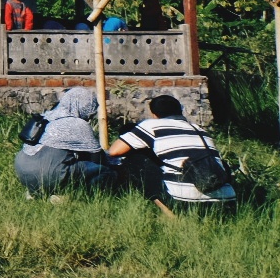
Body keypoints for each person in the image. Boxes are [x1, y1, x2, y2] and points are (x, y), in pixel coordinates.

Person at [107, 95, 236, 211]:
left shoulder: (152, 125)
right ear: (180, 111)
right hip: (226, 202)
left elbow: (115, 151)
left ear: (154, 114)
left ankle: (171, 216)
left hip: (185, 202)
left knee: (135, 160)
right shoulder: (199, 129)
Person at [13, 87, 119, 195]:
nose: (89, 117)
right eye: (90, 110)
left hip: (22, 171)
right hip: (48, 172)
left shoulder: (46, 116)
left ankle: (35, 192)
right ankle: (70, 196)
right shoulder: (77, 124)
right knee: (105, 171)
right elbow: (98, 158)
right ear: (84, 106)